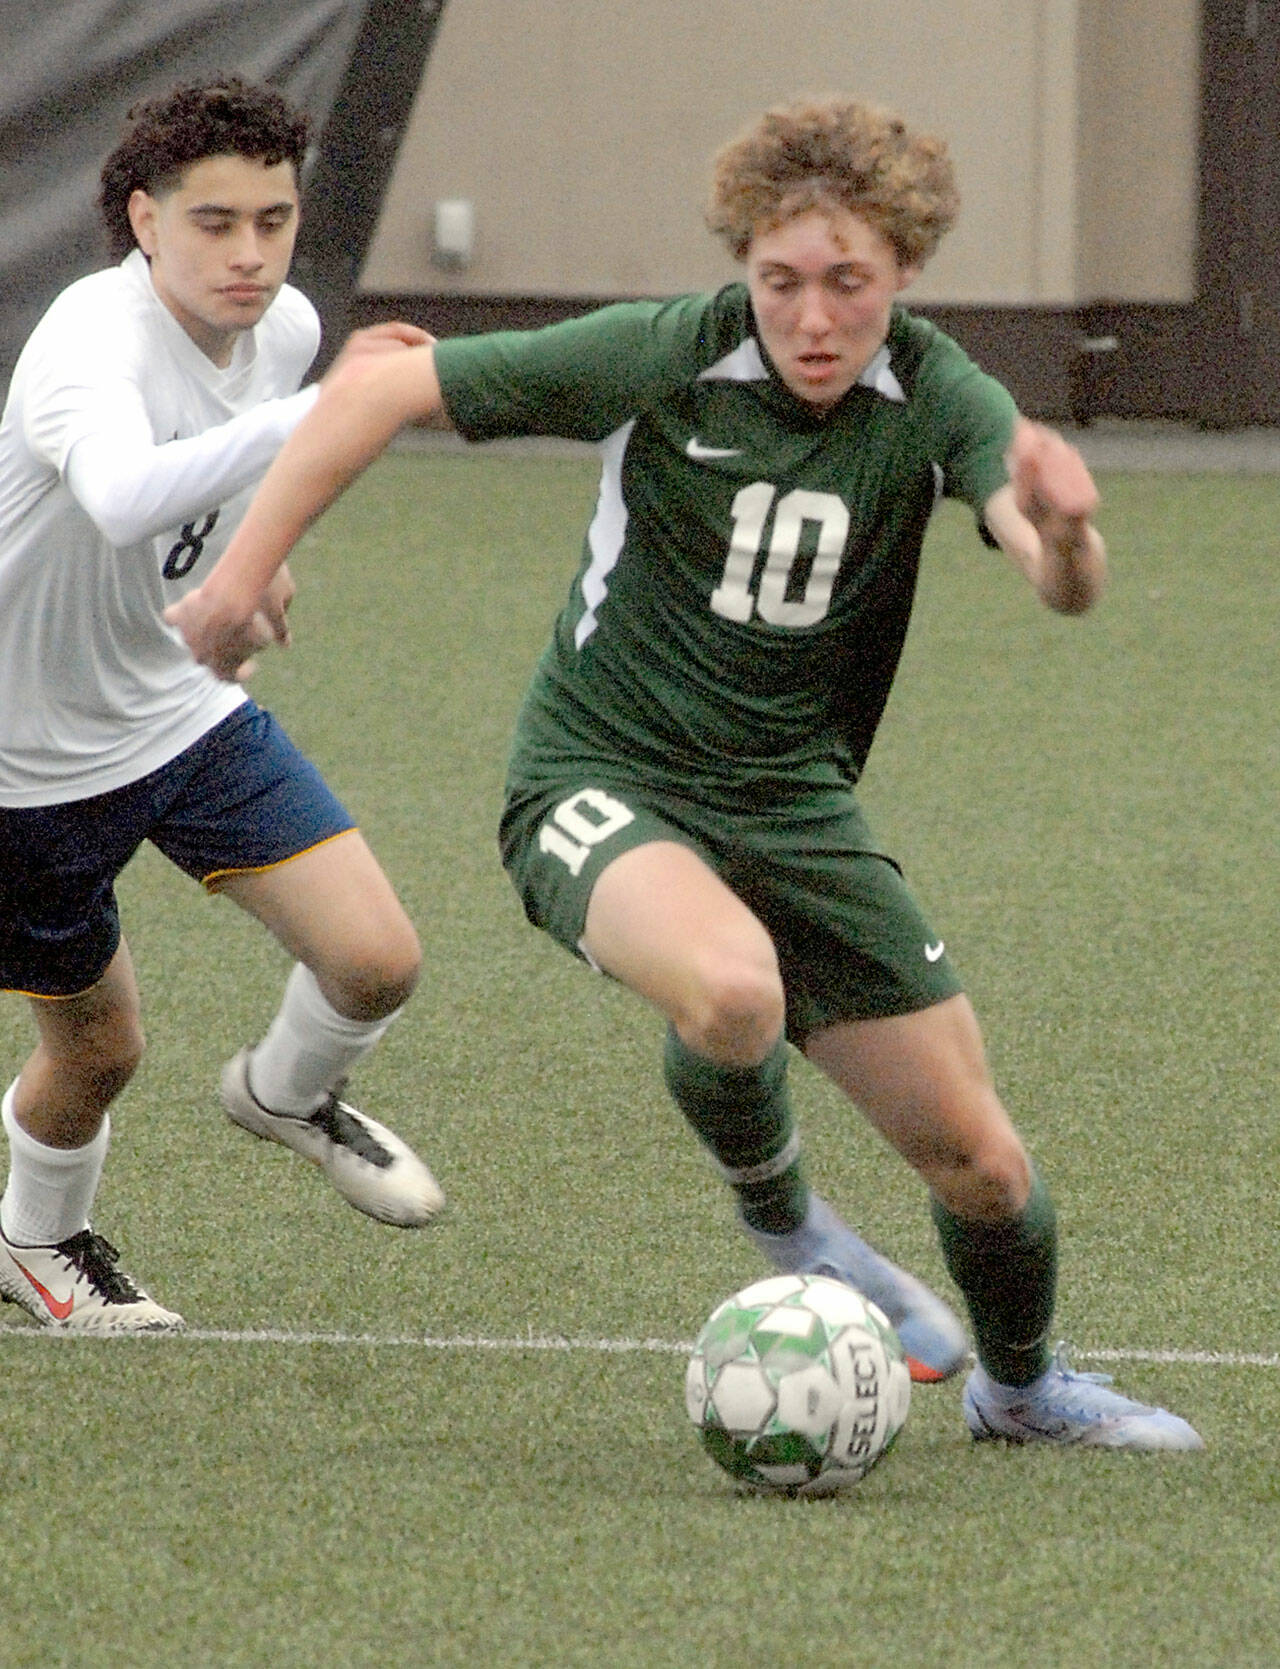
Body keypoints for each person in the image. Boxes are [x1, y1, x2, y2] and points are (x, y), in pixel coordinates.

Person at [168, 96, 1201, 1447]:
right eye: (781, 282)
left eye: (850, 283)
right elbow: (377, 389)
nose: (814, 317)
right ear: (744, 270)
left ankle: (1025, 1391)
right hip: (602, 778)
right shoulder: (669, 354)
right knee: (729, 991)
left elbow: (1058, 573)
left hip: (795, 803)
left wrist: (1065, 530)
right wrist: (240, 582)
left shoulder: (943, 392)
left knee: (983, 1165)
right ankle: (788, 1226)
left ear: (904, 270)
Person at [0, 77, 445, 1336]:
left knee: (375, 959)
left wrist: (258, 553)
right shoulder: (88, 342)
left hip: (180, 707)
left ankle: (286, 1094)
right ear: (143, 222)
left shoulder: (288, 330)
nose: (249, 254)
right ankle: (37, 1239)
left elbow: (248, 465)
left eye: (273, 218)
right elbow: (132, 495)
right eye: (213, 222)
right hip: (23, 766)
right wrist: (336, 409)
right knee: (98, 1055)